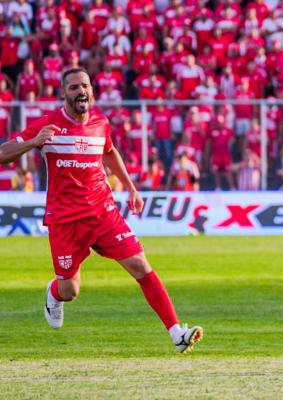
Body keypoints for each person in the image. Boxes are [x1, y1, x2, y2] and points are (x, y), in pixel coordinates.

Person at [0, 68, 202, 353]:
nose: (80, 91)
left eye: (84, 86)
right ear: (63, 93)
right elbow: (3, 153)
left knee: (141, 266)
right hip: (66, 219)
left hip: (103, 211)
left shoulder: (101, 123)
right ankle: (54, 293)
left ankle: (176, 333)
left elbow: (109, 152)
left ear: (92, 90)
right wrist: (34, 142)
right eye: (73, 87)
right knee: (70, 290)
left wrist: (131, 188)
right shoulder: (46, 125)